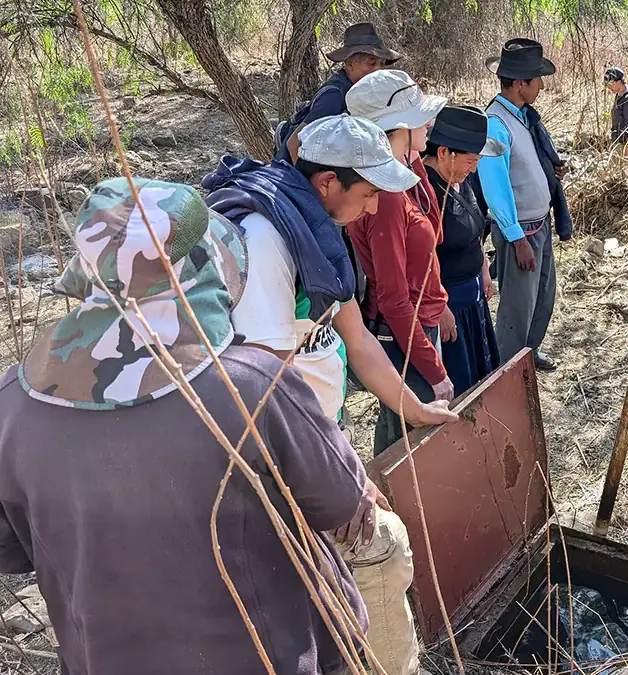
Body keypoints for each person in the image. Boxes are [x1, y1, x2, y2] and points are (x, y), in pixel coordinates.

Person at [1, 178, 374, 674]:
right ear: (205, 273)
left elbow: (12, 548)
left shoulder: (15, 402)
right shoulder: (248, 385)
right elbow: (342, 499)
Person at [203, 115, 456, 675]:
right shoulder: (267, 241)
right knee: (382, 551)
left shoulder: (314, 231)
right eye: (366, 194)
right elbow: (264, 387)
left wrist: (412, 407)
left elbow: (358, 341)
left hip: (315, 437)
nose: (372, 209)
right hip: (274, 458)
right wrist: (345, 476)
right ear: (326, 183)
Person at [344, 69, 456, 456]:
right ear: (396, 129)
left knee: (401, 431)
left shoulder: (402, 179)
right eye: (419, 120)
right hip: (401, 336)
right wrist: (435, 370)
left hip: (415, 327)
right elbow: (393, 298)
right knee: (408, 445)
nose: (429, 125)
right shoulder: (387, 199)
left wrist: (414, 164)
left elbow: (433, 235)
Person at [479, 38, 573, 372]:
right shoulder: (496, 123)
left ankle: (528, 355)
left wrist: (551, 169)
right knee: (517, 309)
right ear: (521, 84)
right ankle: (507, 371)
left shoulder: (522, 117)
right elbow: (495, 186)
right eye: (537, 80)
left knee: (542, 297)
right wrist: (516, 238)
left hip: (539, 224)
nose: (542, 86)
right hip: (521, 231)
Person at [424, 106, 507, 395]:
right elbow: (423, 257)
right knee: (461, 384)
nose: (473, 169)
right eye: (470, 161)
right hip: (450, 305)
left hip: (474, 298)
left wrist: (484, 269)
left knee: (482, 377)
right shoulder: (426, 193)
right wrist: (440, 306)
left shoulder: (461, 181)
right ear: (444, 153)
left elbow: (475, 230)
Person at [275, 22, 400, 162]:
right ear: (349, 64)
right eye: (371, 63)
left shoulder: (364, 92)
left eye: (382, 63)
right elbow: (294, 144)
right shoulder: (334, 96)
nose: (378, 69)